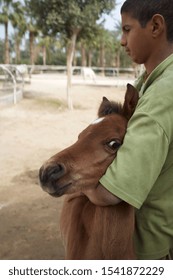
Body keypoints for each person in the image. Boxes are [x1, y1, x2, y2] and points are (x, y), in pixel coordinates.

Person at [83, 0, 173, 260]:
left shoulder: (161, 96)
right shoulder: (146, 82)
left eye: (127, 29)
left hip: (150, 246)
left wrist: (79, 176)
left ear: (156, 26)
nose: (122, 41)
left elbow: (109, 193)